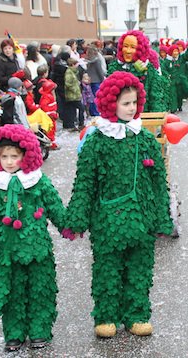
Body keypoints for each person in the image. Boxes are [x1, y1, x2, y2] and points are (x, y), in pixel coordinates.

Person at [64, 71, 173, 338]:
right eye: (126, 103)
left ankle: (137, 314)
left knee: (140, 268)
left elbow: (159, 182)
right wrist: (76, 219)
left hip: (141, 219)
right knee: (107, 268)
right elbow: (85, 184)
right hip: (107, 219)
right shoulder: (97, 142)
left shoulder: (145, 139)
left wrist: (162, 217)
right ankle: (107, 316)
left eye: (134, 103)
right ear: (111, 104)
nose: (131, 108)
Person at [0, 124, 70, 352]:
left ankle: (39, 331)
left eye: (14, 156)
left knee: (41, 291)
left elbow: (55, 208)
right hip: (8, 253)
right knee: (13, 294)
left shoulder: (38, 181)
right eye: (4, 156)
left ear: (25, 156)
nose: (8, 161)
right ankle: (14, 333)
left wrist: (71, 225)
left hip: (38, 250)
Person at [107, 30, 168, 112]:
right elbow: (108, 94)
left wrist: (155, 119)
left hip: (142, 117)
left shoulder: (148, 69)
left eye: (132, 47)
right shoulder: (114, 67)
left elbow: (156, 97)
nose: (128, 51)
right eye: (125, 46)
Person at [64, 58, 84, 131]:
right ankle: (81, 124)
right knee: (81, 108)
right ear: (72, 65)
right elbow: (68, 84)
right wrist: (75, 90)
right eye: (76, 64)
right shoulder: (69, 72)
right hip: (73, 96)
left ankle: (74, 125)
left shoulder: (73, 72)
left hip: (74, 95)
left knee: (73, 110)